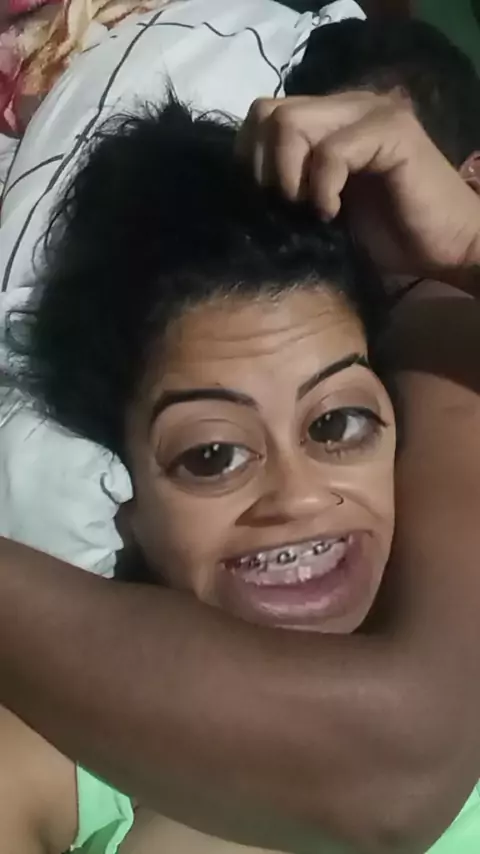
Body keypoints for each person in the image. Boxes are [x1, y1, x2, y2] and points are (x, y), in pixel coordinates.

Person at [1, 88, 480, 854]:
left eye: (337, 424)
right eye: (213, 455)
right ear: (121, 495)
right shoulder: (48, 756)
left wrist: (470, 247)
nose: (299, 497)